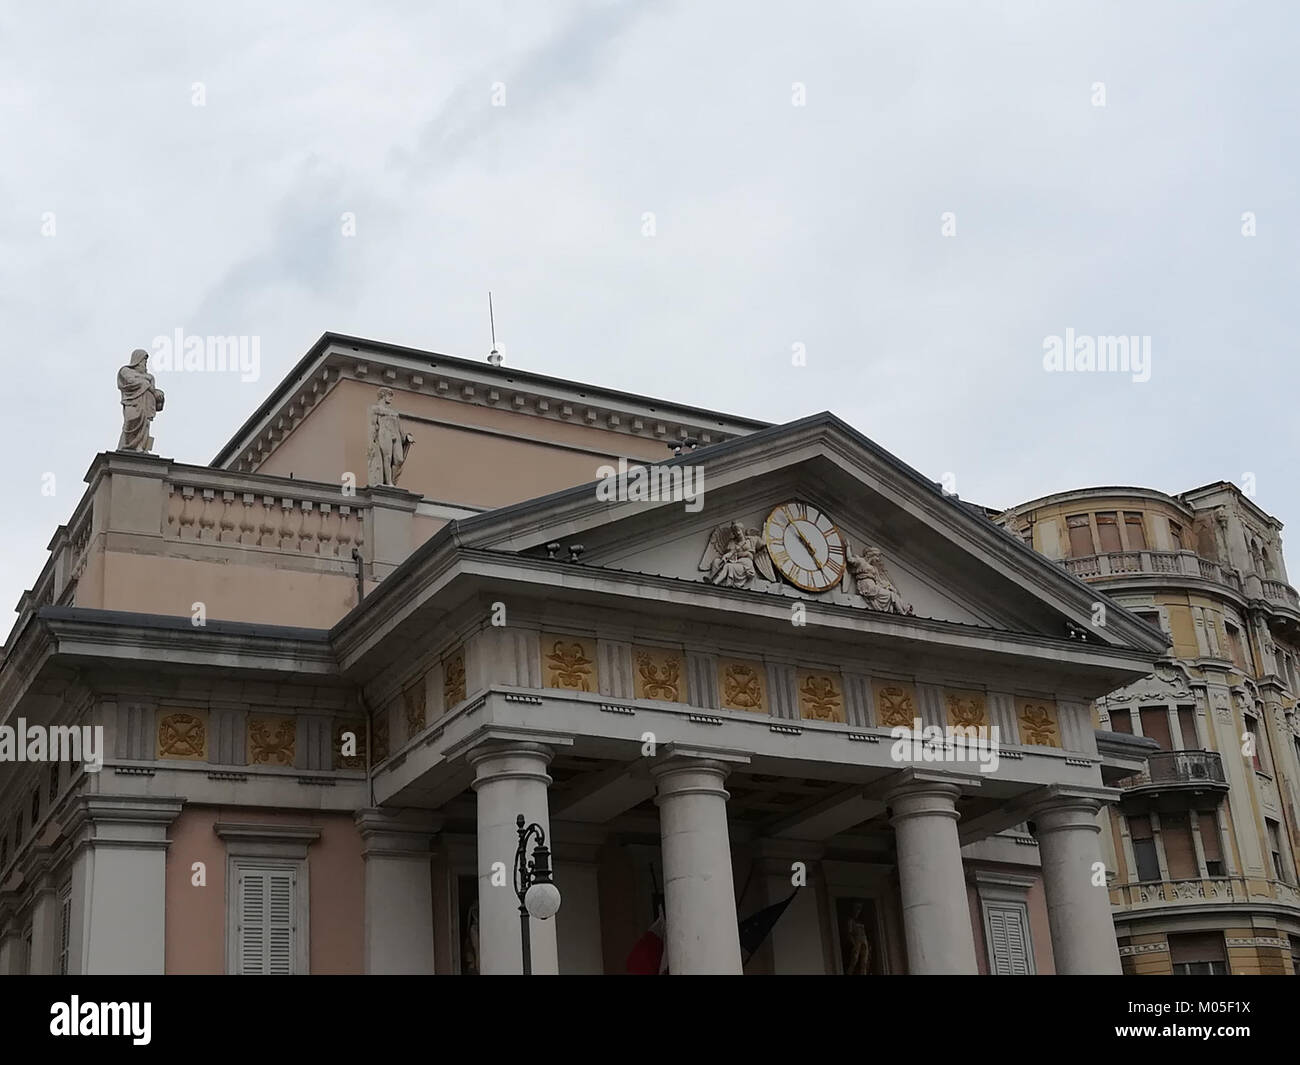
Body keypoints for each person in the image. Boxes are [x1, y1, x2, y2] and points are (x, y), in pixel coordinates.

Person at [117, 349, 165, 452]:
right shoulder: (125, 370)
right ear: (137, 359)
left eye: (146, 361)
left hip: (147, 404)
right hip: (133, 401)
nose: (145, 363)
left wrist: (159, 395)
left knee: (145, 424)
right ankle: (126, 446)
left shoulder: (150, 377)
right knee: (130, 421)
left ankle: (141, 447)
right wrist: (148, 386)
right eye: (144, 360)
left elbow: (154, 391)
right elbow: (130, 381)